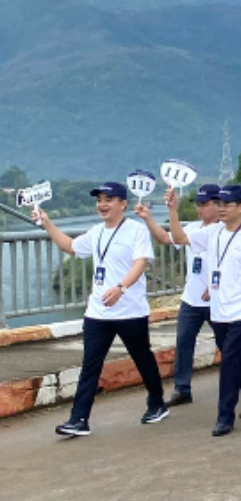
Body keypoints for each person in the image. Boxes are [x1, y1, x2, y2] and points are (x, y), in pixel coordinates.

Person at [37, 182, 168, 436]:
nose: (102, 204)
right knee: (90, 365)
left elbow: (140, 263)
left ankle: (157, 402)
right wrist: (47, 223)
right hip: (98, 312)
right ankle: (79, 419)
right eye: (99, 200)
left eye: (109, 199)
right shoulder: (96, 232)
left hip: (130, 311)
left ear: (123, 204)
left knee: (142, 358)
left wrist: (121, 288)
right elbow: (70, 246)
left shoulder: (135, 231)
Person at [168, 185, 241, 437]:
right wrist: (172, 210)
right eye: (218, 204)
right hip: (218, 308)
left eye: (226, 204)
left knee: (229, 361)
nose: (220, 208)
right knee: (237, 358)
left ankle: (225, 416)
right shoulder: (212, 232)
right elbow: (178, 238)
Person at [135, 184, 223, 407]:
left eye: (204, 204)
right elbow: (167, 239)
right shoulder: (192, 227)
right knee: (183, 342)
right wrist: (148, 218)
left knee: (230, 346)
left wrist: (216, 285)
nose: (199, 209)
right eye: (198, 204)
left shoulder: (226, 231)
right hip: (191, 299)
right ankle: (182, 389)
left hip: (218, 299)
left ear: (217, 204)